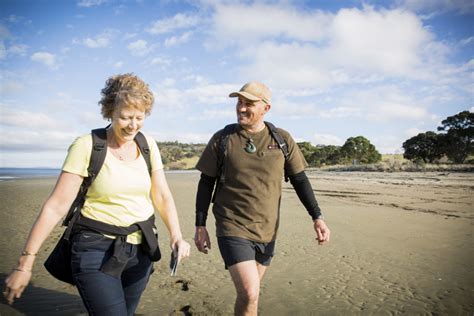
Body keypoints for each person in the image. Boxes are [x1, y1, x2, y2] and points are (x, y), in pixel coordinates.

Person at [3, 73, 191, 315]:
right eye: (125, 117)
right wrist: (25, 264)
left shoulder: (147, 145)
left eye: (139, 117)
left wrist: (177, 236)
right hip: (95, 250)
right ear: (109, 112)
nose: (133, 125)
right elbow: (56, 206)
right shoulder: (87, 145)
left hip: (141, 250)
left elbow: (162, 195)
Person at [193, 82, 330, 315]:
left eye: (249, 103)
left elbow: (300, 180)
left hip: (268, 231)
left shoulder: (282, 139)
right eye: (239, 102)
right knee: (250, 292)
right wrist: (200, 224)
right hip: (232, 226)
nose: (241, 108)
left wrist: (317, 217)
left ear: (266, 108)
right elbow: (206, 183)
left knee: (250, 298)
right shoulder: (223, 139)